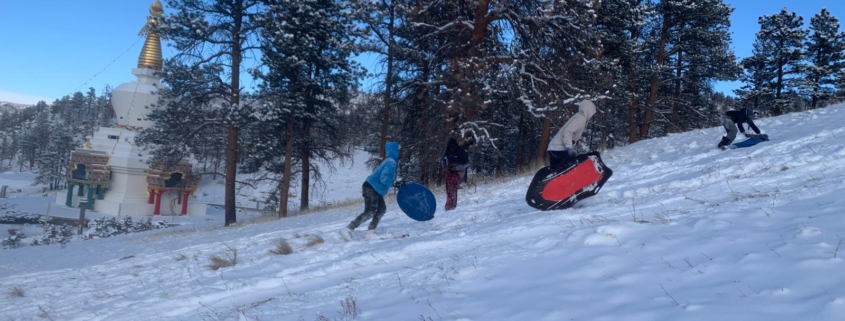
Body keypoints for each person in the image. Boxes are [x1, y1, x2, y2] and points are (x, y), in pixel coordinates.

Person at [339, 142, 400, 241]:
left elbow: (386, 177)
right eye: (398, 149)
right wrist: (394, 183)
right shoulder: (391, 162)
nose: (399, 152)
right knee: (370, 211)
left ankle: (370, 233)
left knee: (381, 209)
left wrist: (394, 182)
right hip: (372, 188)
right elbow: (384, 178)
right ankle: (348, 229)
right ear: (394, 150)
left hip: (374, 188)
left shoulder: (389, 160)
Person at [546, 99, 597, 168]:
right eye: (591, 113)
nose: (591, 116)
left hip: (553, 148)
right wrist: (569, 148)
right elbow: (567, 131)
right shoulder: (581, 118)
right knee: (573, 169)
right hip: (559, 149)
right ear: (588, 111)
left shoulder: (578, 117)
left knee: (558, 174)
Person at [442, 138, 469, 211]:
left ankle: (452, 205)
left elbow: (466, 164)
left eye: (453, 148)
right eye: (450, 148)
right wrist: (445, 167)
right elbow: (443, 160)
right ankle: (449, 203)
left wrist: (457, 168)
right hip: (449, 171)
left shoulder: (461, 152)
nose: (451, 149)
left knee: (452, 188)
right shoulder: (447, 152)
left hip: (459, 172)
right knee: (448, 189)